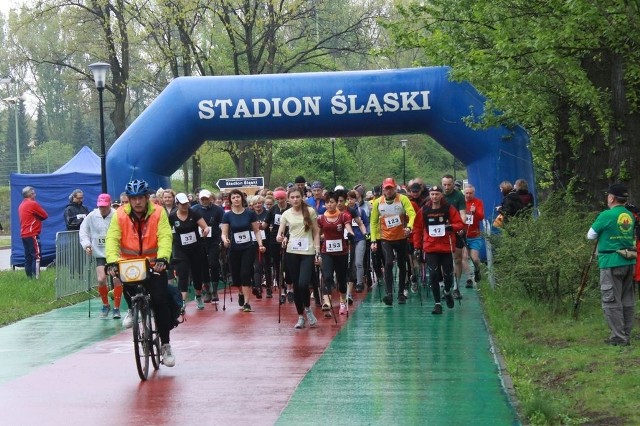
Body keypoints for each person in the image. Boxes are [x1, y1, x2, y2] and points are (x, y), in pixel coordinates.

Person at [105, 179, 176, 367]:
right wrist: (111, 261)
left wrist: (163, 258)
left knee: (160, 300)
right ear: (128, 199)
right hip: (130, 264)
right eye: (133, 198)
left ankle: (166, 345)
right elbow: (112, 238)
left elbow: (165, 237)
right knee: (120, 280)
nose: (137, 202)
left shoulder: (159, 212)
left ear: (147, 198)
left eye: (140, 198)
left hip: (154, 264)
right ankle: (131, 307)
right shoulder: (119, 214)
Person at [587, 183, 636, 346]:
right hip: (629, 260)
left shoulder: (606, 215)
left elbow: (590, 235)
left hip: (610, 261)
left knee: (611, 300)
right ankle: (626, 333)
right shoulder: (629, 215)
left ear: (611, 198)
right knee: (627, 298)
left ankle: (618, 337)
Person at [413, 185, 464, 314]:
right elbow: (417, 229)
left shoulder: (448, 208)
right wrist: (417, 247)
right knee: (434, 275)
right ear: (429, 195)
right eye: (432, 194)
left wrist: (450, 227)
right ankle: (437, 303)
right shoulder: (424, 210)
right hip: (430, 247)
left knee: (447, 275)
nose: (434, 197)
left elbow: (459, 224)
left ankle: (447, 292)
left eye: (437, 194)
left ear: (441, 195)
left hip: (446, 246)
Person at [276, 186, 320, 329]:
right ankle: (301, 316)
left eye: (297, 197)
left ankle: (307, 308)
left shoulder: (310, 212)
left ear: (302, 198)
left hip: (307, 252)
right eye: (292, 197)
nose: (295, 199)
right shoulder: (286, 214)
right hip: (292, 252)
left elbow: (316, 232)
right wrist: (280, 238)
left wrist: (317, 250)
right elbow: (280, 233)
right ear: (289, 199)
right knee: (295, 285)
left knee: (303, 283)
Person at [370, 177, 416, 306]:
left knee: (402, 265)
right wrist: (373, 240)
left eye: (390, 188)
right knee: (388, 263)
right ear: (383, 189)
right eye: (386, 188)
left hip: (401, 237)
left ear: (395, 188)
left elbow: (412, 214)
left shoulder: (403, 199)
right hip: (386, 238)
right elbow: (373, 222)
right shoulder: (378, 202)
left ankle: (401, 292)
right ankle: (389, 293)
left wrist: (409, 227)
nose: (388, 191)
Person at [79, 194, 124, 319]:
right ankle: (105, 304)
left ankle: (116, 307)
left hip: (115, 252)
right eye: (100, 206)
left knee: (116, 279)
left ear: (109, 204)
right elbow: (83, 230)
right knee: (101, 279)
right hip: (100, 253)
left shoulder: (117, 214)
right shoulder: (92, 215)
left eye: (104, 206)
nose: (102, 209)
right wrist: (87, 245)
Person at [221, 189, 266, 313]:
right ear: (230, 200)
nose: (236, 199)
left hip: (248, 247)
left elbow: (256, 231)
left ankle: (247, 302)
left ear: (242, 198)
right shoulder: (227, 215)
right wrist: (225, 240)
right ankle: (240, 292)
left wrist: (260, 244)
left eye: (238, 197)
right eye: (233, 197)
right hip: (234, 249)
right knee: (236, 277)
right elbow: (224, 233)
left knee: (245, 273)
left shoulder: (250, 213)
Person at [317, 191, 354, 316]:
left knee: (341, 279)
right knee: (327, 277)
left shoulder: (343, 216)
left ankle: (342, 302)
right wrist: (316, 249)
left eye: (332, 202)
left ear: (336, 203)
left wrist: (350, 233)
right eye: (327, 203)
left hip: (342, 252)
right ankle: (327, 302)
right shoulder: (321, 218)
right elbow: (317, 234)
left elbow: (348, 226)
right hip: (326, 251)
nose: (329, 205)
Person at [170, 193, 209, 310]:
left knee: (197, 273)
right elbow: (165, 231)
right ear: (176, 204)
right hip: (180, 249)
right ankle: (182, 300)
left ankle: (198, 296)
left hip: (196, 248)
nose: (185, 206)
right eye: (182, 204)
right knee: (183, 273)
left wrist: (205, 231)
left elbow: (205, 226)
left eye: (186, 203)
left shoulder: (194, 213)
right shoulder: (172, 216)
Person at [191, 189, 225, 303]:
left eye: (207, 198)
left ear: (210, 198)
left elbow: (222, 224)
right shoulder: (194, 209)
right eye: (202, 199)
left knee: (214, 263)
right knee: (203, 266)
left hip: (214, 240)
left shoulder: (218, 210)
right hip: (199, 241)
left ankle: (215, 290)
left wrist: (223, 236)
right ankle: (207, 291)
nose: (205, 201)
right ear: (199, 199)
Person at [442, 174, 466, 299]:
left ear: (453, 184)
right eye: (444, 185)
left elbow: (462, 213)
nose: (447, 187)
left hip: (455, 229)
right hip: (442, 232)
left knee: (457, 258)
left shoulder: (459, 196)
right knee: (443, 260)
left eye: (449, 184)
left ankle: (456, 287)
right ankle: (445, 286)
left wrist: (460, 226)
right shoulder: (438, 195)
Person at [19, 186, 48, 279]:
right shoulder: (32, 204)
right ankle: (36, 277)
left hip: (24, 233)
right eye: (33, 193)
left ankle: (29, 277)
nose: (35, 195)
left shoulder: (21, 204)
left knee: (28, 257)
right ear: (30, 194)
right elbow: (44, 215)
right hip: (32, 233)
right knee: (37, 257)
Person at [463, 185, 485, 288]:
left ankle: (477, 269)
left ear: (473, 193)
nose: (468, 195)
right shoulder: (461, 203)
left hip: (475, 235)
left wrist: (475, 211)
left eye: (470, 193)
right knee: (464, 257)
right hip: (463, 235)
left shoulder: (478, 202)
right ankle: (469, 278)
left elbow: (481, 217)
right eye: (466, 193)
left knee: (475, 258)